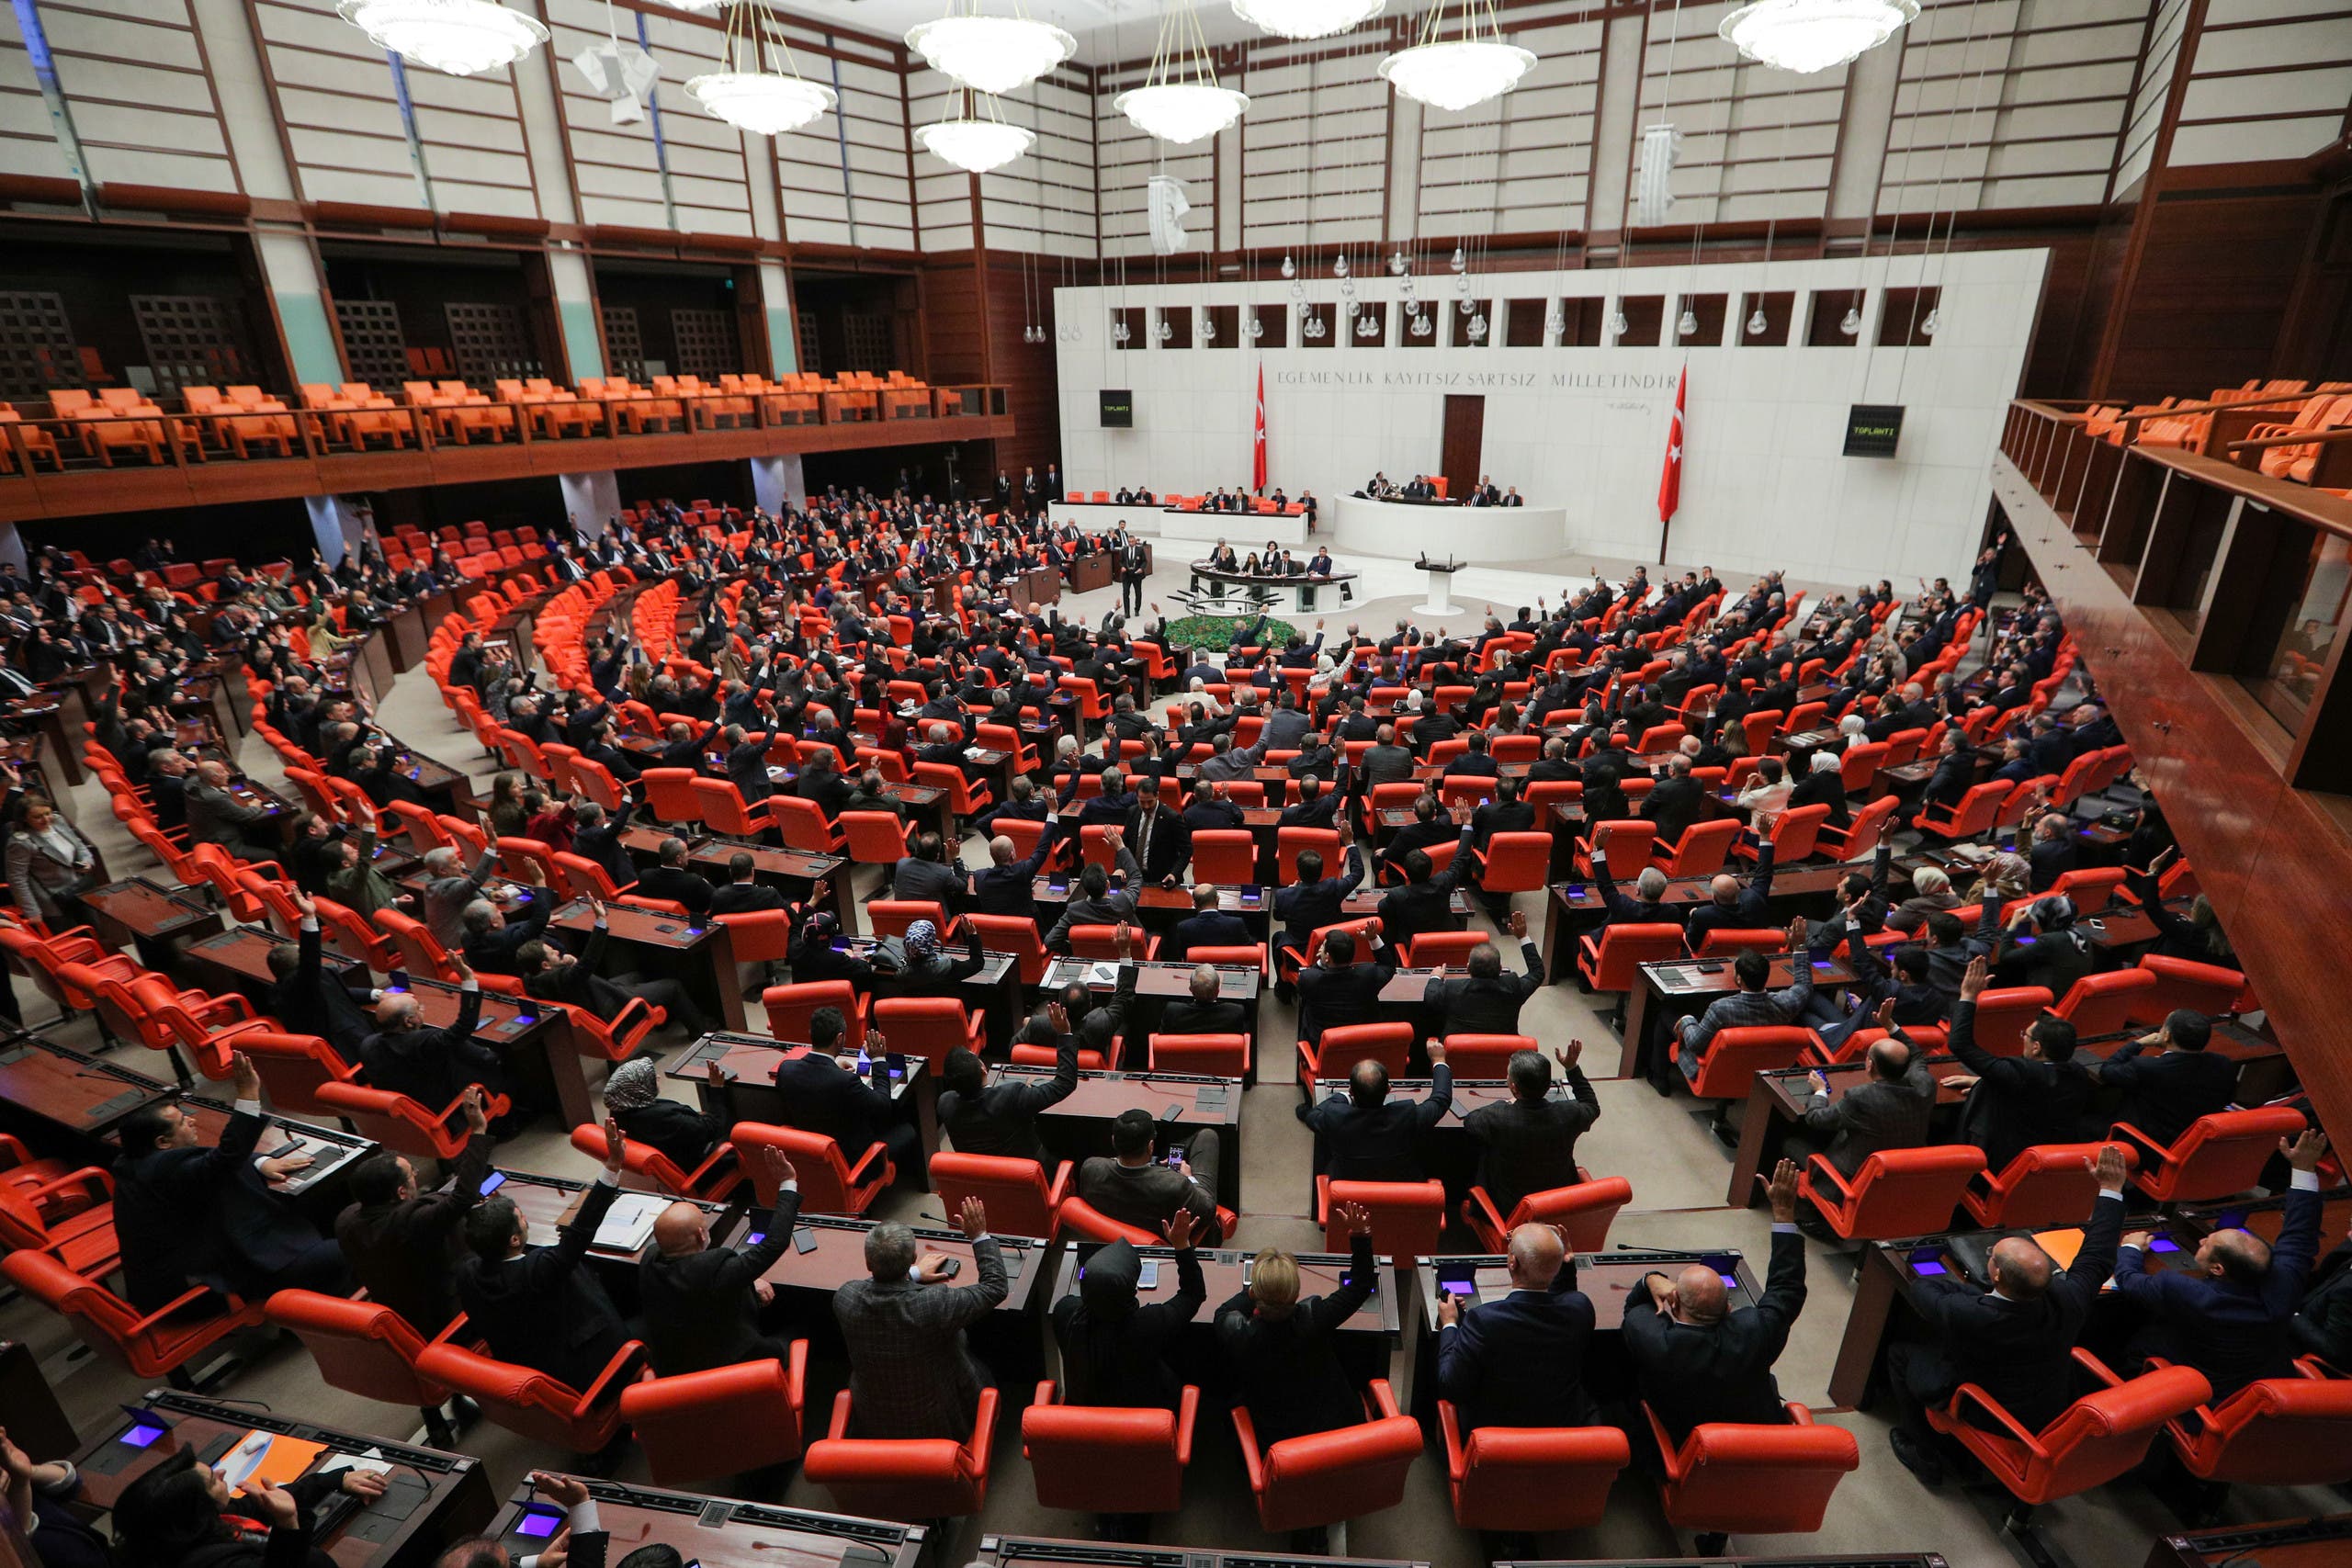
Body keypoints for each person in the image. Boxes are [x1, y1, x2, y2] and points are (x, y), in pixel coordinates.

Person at [1884, 1146, 2129, 1484]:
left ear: (1995, 1274)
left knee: (1900, 1355)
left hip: (1988, 1408)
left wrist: (1971, 1292)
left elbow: (1926, 1292)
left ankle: (1923, 1454)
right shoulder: (2070, 1297)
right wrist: (2111, 1189)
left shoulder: (1974, 1314)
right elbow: (2099, 1254)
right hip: (2049, 1404)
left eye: (1992, 1255)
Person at [114, 1053, 346, 1312]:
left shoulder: (135, 1162)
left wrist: (258, 1162)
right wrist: (247, 1094)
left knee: (324, 1216)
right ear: (163, 1143)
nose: (192, 1120)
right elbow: (219, 1162)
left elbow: (207, 1164)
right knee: (351, 1248)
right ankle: (322, 1314)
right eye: (182, 1121)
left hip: (194, 1259)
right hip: (205, 1283)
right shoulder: (165, 1171)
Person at [2110, 1129, 2329, 1402]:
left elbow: (2130, 1280)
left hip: (2205, 1394)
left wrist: (2130, 1246)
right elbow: (2301, 1233)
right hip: (2264, 1388)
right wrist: (2304, 1168)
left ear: (2217, 1269)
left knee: (2136, 1342)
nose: (2202, 1239)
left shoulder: (2185, 1291)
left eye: (2206, 1245)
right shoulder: (2285, 1283)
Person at [1625, 1160, 1809, 1446]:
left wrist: (1650, 1279)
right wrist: (1783, 1212)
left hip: (1690, 1453)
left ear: (1673, 1304)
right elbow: (1787, 1288)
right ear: (1728, 1308)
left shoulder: (1657, 1344)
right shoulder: (1758, 1331)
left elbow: (1633, 1312)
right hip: (1762, 1452)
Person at [457, 1119, 631, 1390]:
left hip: (525, 1364)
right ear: (514, 1239)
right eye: (522, 1218)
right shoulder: (538, 1270)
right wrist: (612, 1166)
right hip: (586, 1368)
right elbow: (581, 1231)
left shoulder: (468, 1273)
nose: (525, 1220)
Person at [832, 1198, 1005, 1438]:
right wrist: (979, 1236)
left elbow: (873, 1289)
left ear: (868, 1262)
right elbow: (995, 1287)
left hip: (874, 1422)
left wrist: (912, 1275)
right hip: (939, 1424)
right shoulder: (933, 1303)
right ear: (914, 1257)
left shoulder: (845, 1298)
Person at [1215, 1203, 1376, 1448]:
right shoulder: (1317, 1317)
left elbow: (1223, 1312)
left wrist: (1254, 1290)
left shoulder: (1241, 1334)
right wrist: (1360, 1235)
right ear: (1296, 1292)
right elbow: (1362, 1284)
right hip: (1338, 1435)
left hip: (1280, 1444)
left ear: (1256, 1294)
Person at [334, 1087, 492, 1335]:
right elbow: (463, 1198)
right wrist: (479, 1130)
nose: (416, 1176)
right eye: (412, 1174)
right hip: (449, 1319)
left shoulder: (346, 1219)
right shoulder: (413, 1221)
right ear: (401, 1192)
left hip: (402, 1318)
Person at [639, 1143, 799, 1376]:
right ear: (701, 1235)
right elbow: (775, 1243)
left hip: (675, 1367)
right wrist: (787, 1181)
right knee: (802, 1325)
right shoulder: (717, 1270)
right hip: (733, 1363)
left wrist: (746, 1281)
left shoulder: (649, 1260)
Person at [109, 1442, 387, 1568]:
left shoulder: (181, 1525)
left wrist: (334, 1480)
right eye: (211, 1481)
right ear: (197, 1509)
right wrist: (288, 1525)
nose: (222, 1473)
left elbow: (257, 1506)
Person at [1436, 1219, 1595, 1431]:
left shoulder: (1483, 1321)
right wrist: (1564, 1267)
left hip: (1495, 1442)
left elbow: (1450, 1387)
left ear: (1513, 1263)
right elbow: (1564, 1301)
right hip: (1562, 1438)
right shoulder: (1580, 1310)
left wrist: (1449, 1325)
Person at [1943, 954, 2094, 1173]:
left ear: (2037, 1047)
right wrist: (1987, 1080)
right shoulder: (2079, 1073)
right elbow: (2031, 1093)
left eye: (2027, 1035)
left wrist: (1968, 995)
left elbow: (1959, 1044)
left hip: (1998, 1162)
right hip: (2044, 1161)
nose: (2023, 1037)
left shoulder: (2018, 1073)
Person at [1052, 1210, 1204, 1413]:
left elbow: (1089, 1299)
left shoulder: (1064, 1312)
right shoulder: (1150, 1323)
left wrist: (1096, 1283)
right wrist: (1181, 1245)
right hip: (1148, 1416)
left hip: (1084, 1419)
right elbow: (1193, 1293)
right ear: (1132, 1290)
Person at [518, 896, 712, 1037]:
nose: (558, 952)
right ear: (545, 965)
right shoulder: (562, 977)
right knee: (673, 986)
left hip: (600, 992)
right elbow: (588, 962)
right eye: (553, 954)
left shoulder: (530, 979)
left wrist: (565, 964)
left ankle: (666, 1019)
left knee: (639, 973)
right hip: (614, 1008)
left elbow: (573, 977)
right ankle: (700, 1030)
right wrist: (601, 922)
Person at [772, 1008, 919, 1175]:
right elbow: (883, 1106)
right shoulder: (846, 1081)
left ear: (811, 1033)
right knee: (907, 1129)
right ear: (840, 1038)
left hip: (808, 1155)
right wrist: (878, 1059)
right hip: (852, 1164)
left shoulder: (786, 1069)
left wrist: (833, 1067)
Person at [1463, 1043, 1601, 1215]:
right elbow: (1591, 1105)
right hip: (1559, 1205)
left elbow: (1469, 1122)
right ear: (1548, 1085)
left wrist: (1504, 1104)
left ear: (1513, 1087)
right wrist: (1571, 1068)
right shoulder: (1568, 1114)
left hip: (1509, 1210)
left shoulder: (1496, 1117)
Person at [1670, 920, 1813, 1087]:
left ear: (1739, 979)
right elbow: (1804, 985)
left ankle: (1658, 1075)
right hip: (1764, 1069)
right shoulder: (1786, 1003)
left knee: (1667, 1013)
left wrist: (1688, 1020)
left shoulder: (1720, 1009)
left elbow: (1695, 1044)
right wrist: (1799, 945)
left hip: (1717, 1073)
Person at [1295, 1041, 1452, 1181]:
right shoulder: (1407, 1115)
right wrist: (1439, 1060)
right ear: (1389, 1089)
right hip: (1400, 1190)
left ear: (1351, 1090)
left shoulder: (1335, 1117)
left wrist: (1342, 1097)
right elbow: (1440, 1100)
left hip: (1347, 1190)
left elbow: (1312, 1115)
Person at [362, 957, 507, 1107]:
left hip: (410, 1103)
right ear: (409, 1021)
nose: (422, 1010)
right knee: (488, 1061)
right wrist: (468, 979)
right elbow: (465, 1026)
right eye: (419, 1008)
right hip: (443, 1103)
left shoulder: (368, 1043)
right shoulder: (424, 1041)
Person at [1791, 1032, 1937, 1177]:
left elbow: (1816, 1118)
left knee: (1790, 1142)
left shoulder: (1861, 1098)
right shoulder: (1925, 1086)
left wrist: (1820, 1091)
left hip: (1853, 1178)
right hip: (1904, 1173)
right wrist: (1889, 1024)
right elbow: (1917, 1055)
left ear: (1870, 1065)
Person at [2090, 1008, 2237, 1147]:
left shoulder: (2146, 1067)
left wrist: (2137, 1043)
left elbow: (2108, 1070)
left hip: (2148, 1146)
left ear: (2166, 1036)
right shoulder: (2223, 1064)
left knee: (2085, 1124)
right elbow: (2228, 1099)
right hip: (2197, 1144)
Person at [1079, 1107, 1223, 1243]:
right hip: (1168, 1237)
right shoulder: (1177, 1185)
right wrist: (1189, 1178)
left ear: (1113, 1140)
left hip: (1121, 1224)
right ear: (1150, 1146)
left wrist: (1156, 1168)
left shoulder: (1090, 1168)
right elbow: (1208, 1211)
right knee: (1207, 1136)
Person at [937, 1027, 1078, 1163]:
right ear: (983, 1069)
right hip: (1031, 1178)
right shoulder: (1012, 1096)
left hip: (980, 1182)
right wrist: (1064, 1034)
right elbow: (1065, 1083)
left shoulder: (945, 1104)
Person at [266, 892, 379, 1053]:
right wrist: (309, 917)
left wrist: (375, 994)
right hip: (349, 1047)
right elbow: (310, 958)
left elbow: (336, 994)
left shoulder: (283, 989)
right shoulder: (301, 983)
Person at [1419, 914, 1545, 1034]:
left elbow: (1430, 998)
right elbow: (1537, 972)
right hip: (1504, 1053)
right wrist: (1523, 936)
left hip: (1459, 1054)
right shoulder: (1514, 987)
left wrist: (1436, 977)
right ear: (1500, 968)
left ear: (1468, 968)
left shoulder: (1452, 988)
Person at [604, 1056, 728, 1174]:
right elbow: (715, 1126)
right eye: (650, 1078)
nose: (657, 1077)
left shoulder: (618, 1112)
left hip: (670, 1160)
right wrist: (716, 1087)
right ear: (638, 1089)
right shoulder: (664, 1118)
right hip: (700, 1166)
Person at [6, 796, 97, 925]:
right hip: (55, 900)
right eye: (37, 817)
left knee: (96, 929)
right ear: (24, 819)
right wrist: (32, 911)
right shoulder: (21, 843)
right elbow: (17, 879)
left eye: (47, 813)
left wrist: (87, 861)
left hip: (80, 888)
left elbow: (78, 844)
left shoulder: (58, 820)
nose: (46, 819)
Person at [1168, 883, 1250, 961]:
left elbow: (1179, 956)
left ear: (1194, 904)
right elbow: (1251, 952)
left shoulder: (1183, 927)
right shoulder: (1236, 924)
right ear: (1217, 899)